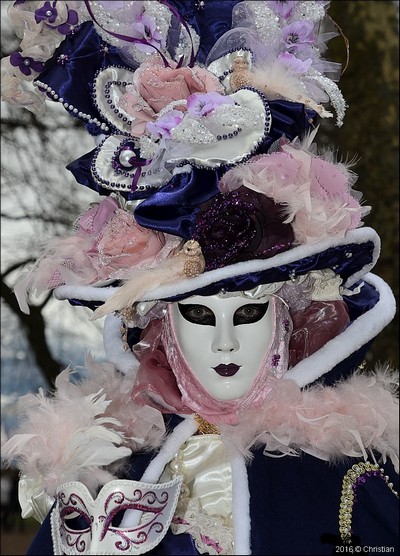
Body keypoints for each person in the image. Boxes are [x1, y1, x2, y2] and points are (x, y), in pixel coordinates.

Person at [1, 1, 398, 555]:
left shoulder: (350, 476)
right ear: (160, 328)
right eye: (198, 313)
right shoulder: (110, 473)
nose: (225, 342)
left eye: (250, 310)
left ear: (289, 316)